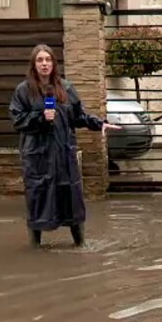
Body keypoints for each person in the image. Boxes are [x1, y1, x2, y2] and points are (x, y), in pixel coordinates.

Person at [9, 44, 121, 247]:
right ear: (34, 65)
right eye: (40, 60)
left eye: (48, 59)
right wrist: (40, 117)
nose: (44, 64)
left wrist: (99, 123)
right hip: (38, 157)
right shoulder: (24, 91)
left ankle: (80, 245)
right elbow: (17, 120)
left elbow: (78, 117)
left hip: (63, 155)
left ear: (53, 63)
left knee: (71, 200)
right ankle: (36, 248)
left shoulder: (66, 88)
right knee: (38, 199)